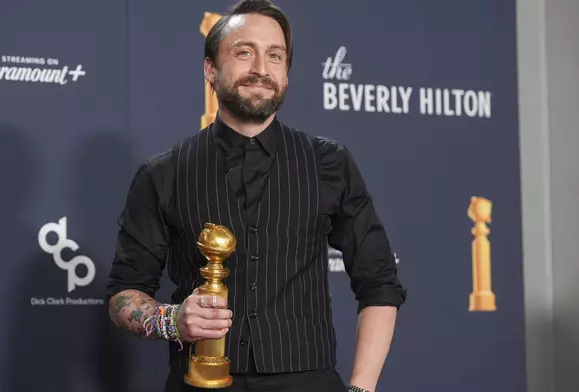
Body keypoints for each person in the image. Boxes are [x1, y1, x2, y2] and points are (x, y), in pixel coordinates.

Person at [106, 0, 407, 391]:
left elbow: (380, 282)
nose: (261, 69)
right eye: (244, 52)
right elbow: (122, 294)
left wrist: (362, 388)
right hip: (197, 383)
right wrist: (171, 319)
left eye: (275, 56)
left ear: (286, 73)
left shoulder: (328, 162)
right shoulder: (163, 173)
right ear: (210, 69)